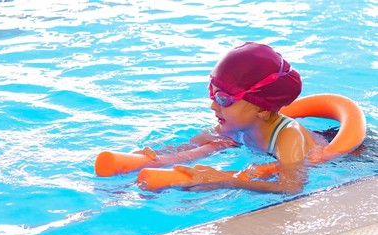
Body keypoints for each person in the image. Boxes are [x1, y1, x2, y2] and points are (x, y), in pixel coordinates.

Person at [135, 42, 326, 194]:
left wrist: (226, 182)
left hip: (337, 154)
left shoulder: (288, 136)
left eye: (223, 99)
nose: (212, 105)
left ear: (262, 109)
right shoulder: (234, 128)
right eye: (213, 94)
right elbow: (190, 146)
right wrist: (156, 156)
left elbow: (291, 187)